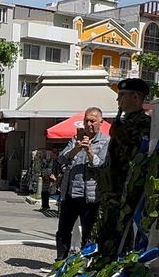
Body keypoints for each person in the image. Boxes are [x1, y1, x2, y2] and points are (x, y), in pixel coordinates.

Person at [93, 78, 151, 258]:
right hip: (112, 190)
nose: (118, 100)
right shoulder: (124, 121)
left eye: (122, 95)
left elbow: (139, 156)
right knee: (105, 236)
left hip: (126, 192)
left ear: (136, 96)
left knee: (120, 239)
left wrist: (122, 136)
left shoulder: (143, 123)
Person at [54, 108, 109, 260]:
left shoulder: (105, 142)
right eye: (86, 121)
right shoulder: (75, 139)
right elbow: (62, 159)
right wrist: (76, 149)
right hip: (70, 194)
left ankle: (85, 264)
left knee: (88, 233)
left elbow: (101, 166)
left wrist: (89, 151)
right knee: (63, 231)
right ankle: (60, 261)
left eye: (93, 121)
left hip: (90, 197)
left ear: (100, 122)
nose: (89, 124)